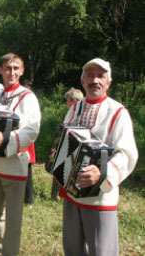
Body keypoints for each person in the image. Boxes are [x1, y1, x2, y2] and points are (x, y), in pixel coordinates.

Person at [61, 58, 138, 255]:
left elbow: (127, 153)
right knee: (73, 249)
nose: (95, 80)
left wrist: (102, 172)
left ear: (108, 82)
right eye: (90, 75)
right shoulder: (74, 108)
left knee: (101, 251)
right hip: (71, 193)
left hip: (100, 198)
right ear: (82, 80)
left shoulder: (118, 112)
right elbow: (65, 141)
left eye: (100, 76)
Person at [0, 53, 41, 256]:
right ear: (1, 70)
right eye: (8, 68)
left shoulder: (28, 97)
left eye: (16, 68)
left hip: (15, 165)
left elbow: (32, 130)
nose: (12, 72)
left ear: (22, 71)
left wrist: (6, 139)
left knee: (13, 221)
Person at [51, 87, 84, 201]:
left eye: (68, 100)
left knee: (62, 169)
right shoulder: (75, 111)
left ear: (74, 101)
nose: (66, 103)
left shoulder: (79, 111)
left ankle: (60, 195)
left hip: (71, 147)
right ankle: (56, 195)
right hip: (69, 146)